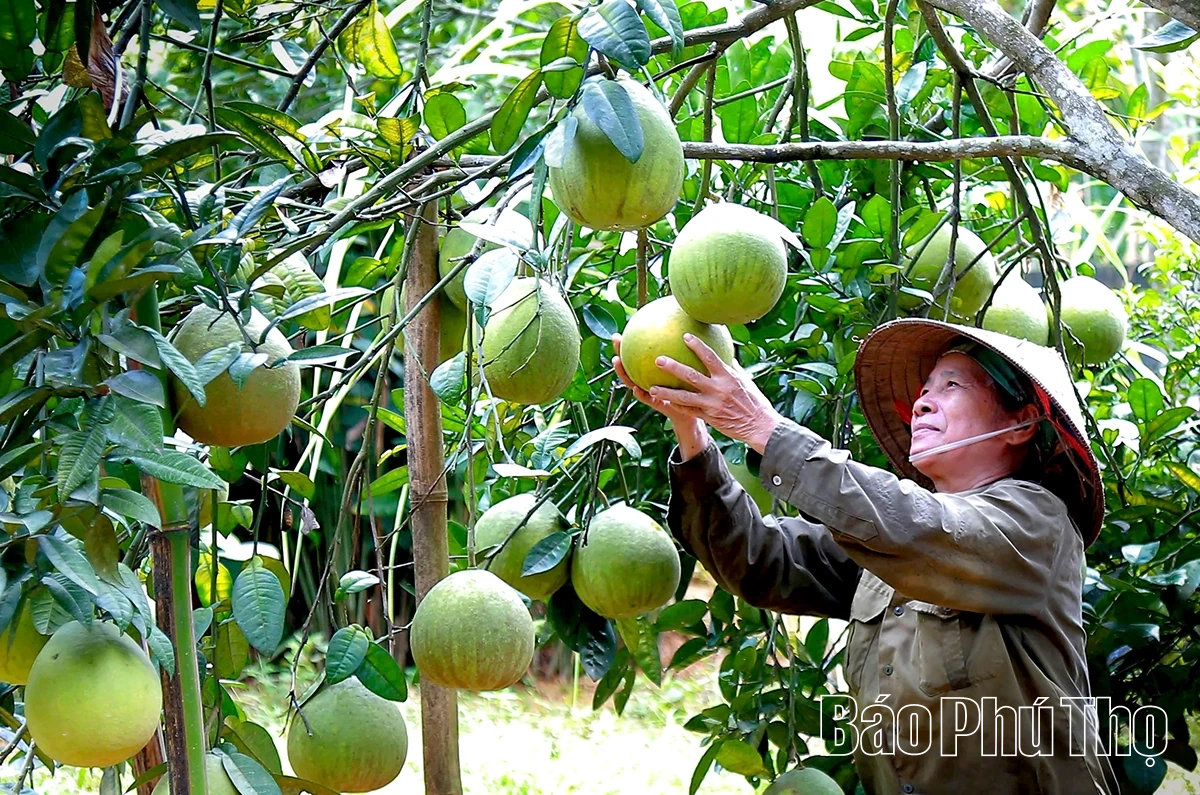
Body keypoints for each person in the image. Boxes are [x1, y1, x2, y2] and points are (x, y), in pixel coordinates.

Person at [612, 317, 1122, 795]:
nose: (922, 402)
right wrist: (693, 431)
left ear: (1020, 425)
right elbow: (758, 560)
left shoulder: (1036, 524)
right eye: (924, 390)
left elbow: (921, 528)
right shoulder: (889, 547)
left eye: (951, 386)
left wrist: (763, 429)